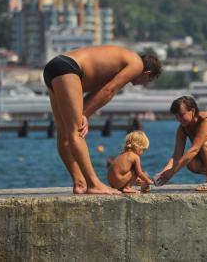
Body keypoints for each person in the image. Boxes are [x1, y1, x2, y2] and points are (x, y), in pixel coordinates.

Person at [43, 45, 162, 194]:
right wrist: (84, 114)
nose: (143, 85)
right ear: (147, 73)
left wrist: (84, 112)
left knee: (64, 132)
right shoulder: (136, 64)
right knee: (76, 131)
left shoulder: (125, 57)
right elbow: (109, 90)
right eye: (147, 81)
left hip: (55, 67)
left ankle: (80, 183)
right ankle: (93, 184)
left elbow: (102, 90)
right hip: (69, 69)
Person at [156, 96, 207, 191]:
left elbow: (195, 149)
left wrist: (171, 172)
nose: (179, 119)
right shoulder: (182, 128)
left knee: (204, 143)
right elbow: (176, 156)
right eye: (176, 116)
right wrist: (163, 174)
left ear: (192, 111)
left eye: (181, 115)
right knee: (191, 163)